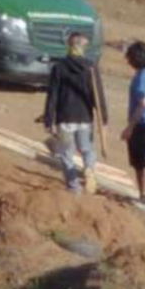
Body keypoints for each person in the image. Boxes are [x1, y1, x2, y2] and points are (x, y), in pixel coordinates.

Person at [43, 32, 108, 194]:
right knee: (87, 149)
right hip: (84, 118)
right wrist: (104, 119)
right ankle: (89, 168)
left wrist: (48, 119)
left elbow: (53, 95)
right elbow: (98, 95)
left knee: (66, 154)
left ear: (69, 45)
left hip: (64, 119)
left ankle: (74, 187)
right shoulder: (90, 67)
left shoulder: (59, 67)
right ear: (83, 46)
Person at [120, 41, 145, 205]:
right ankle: (142, 194)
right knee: (138, 163)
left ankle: (144, 196)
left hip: (142, 124)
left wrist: (130, 127)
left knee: (142, 163)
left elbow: (142, 104)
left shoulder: (142, 77)